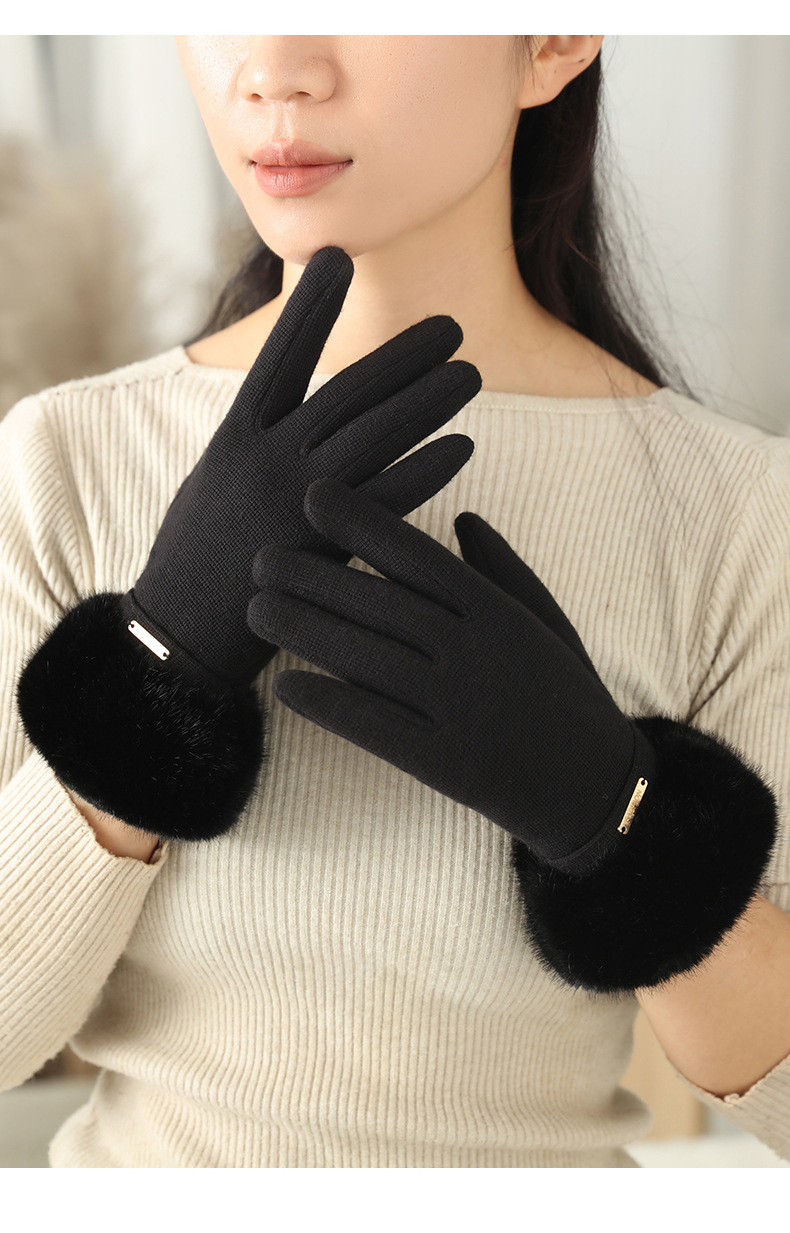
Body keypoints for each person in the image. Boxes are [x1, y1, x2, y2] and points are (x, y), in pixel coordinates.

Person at [1, 35, 789, 1169]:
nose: (272, 67)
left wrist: (619, 822)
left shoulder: (734, 510)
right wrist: (144, 680)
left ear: (553, 37)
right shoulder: (65, 458)